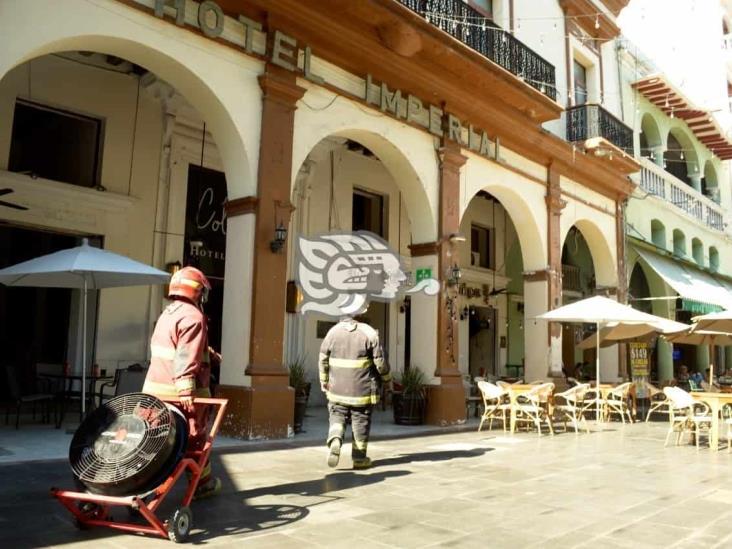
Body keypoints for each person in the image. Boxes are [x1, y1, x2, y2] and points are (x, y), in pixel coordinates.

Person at [143, 266, 221, 499]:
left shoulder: (168, 314)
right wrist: (187, 391)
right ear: (198, 292)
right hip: (181, 394)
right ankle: (201, 485)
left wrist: (209, 355)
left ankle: (139, 484)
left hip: (154, 390)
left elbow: (178, 348)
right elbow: (185, 356)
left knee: (153, 438)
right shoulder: (194, 317)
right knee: (194, 439)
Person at [319, 315, 391, 470]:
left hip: (337, 389)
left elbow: (323, 359)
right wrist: (387, 378)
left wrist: (324, 381)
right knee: (360, 421)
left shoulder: (332, 332)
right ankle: (359, 459)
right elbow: (380, 363)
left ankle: (336, 439)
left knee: (337, 415)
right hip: (362, 391)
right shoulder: (369, 333)